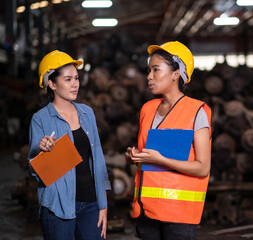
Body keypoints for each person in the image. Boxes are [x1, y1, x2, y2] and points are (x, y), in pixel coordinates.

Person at [125, 41, 212, 240]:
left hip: (179, 215)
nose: (149, 76)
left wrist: (160, 159)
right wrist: (134, 157)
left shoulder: (197, 111)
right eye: (149, 70)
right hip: (146, 212)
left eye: (156, 70)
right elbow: (148, 158)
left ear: (176, 73)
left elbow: (202, 167)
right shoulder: (148, 109)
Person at [28, 50, 111, 240]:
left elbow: (98, 160)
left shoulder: (87, 113)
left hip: (90, 203)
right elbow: (34, 170)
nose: (75, 84)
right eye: (67, 79)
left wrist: (103, 204)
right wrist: (41, 150)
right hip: (57, 206)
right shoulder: (40, 119)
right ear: (52, 83)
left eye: (76, 78)